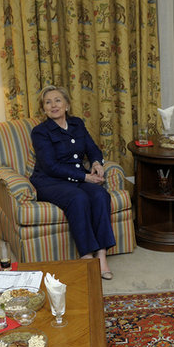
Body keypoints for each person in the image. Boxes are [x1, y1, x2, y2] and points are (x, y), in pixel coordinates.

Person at [30, 85, 115, 279]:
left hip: (77, 177)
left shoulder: (77, 124)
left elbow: (92, 148)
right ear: (44, 109)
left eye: (58, 100)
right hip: (49, 181)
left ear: (67, 105)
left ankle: (101, 256)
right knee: (78, 198)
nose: (53, 105)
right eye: (48, 102)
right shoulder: (40, 132)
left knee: (100, 194)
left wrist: (96, 162)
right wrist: (85, 177)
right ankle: (86, 257)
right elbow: (50, 166)